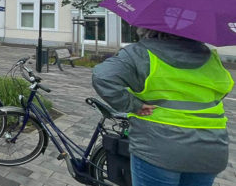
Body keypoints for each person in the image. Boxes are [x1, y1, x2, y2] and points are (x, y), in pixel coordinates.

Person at [92, 27, 233, 186]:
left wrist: (133, 105)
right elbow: (223, 90)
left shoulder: (141, 53)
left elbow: (102, 76)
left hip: (159, 146)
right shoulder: (210, 57)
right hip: (211, 147)